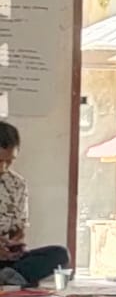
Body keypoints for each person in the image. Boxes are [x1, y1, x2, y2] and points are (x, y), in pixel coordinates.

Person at [0, 122, 69, 288]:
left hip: (5, 259)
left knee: (59, 254)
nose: (3, 168)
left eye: (9, 162)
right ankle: (15, 278)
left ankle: (10, 276)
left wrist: (14, 245)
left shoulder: (17, 184)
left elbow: (19, 228)